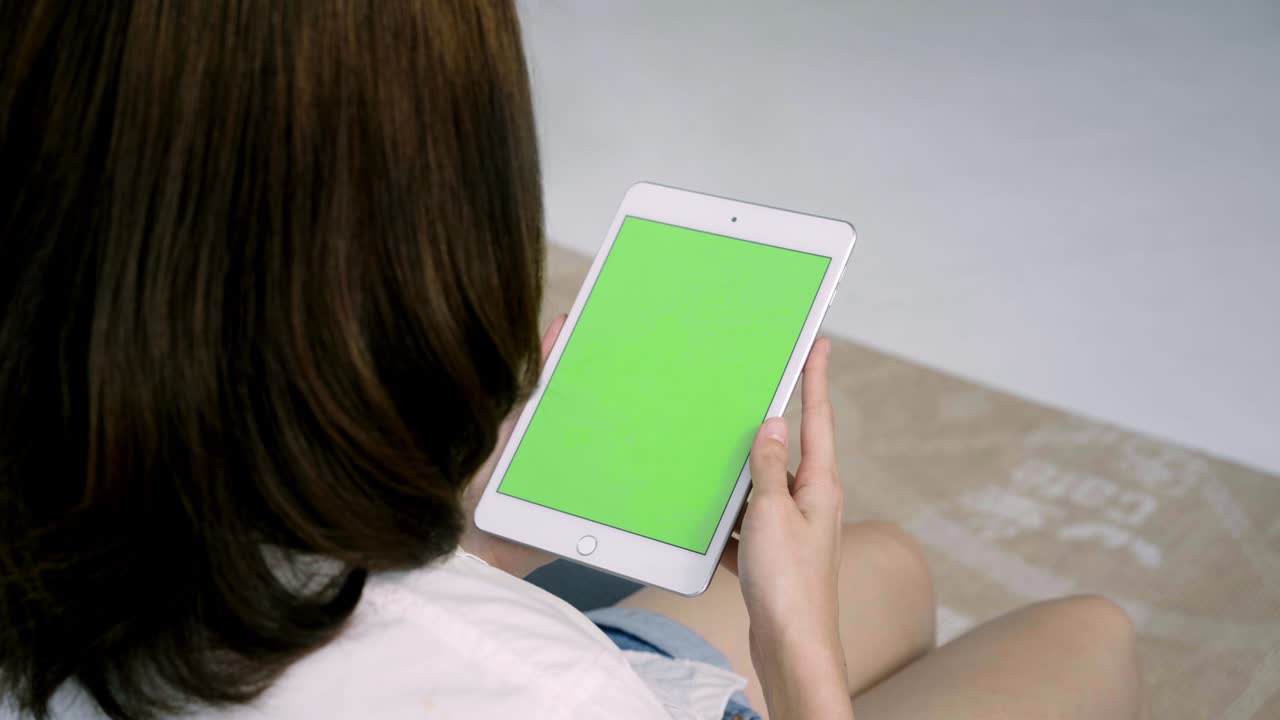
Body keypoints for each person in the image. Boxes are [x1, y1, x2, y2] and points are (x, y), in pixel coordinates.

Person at [0, 2, 1147, 719]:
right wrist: (794, 654)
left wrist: (462, 551)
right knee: (1084, 635)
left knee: (889, 569)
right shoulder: (543, 685)